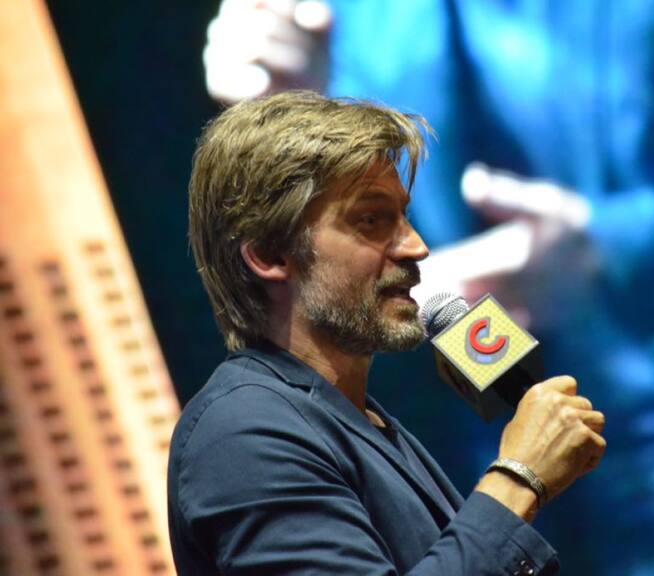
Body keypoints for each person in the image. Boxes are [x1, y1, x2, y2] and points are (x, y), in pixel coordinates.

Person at [202, 2, 654, 575]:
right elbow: (415, 259)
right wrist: (303, 117)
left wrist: (613, 244)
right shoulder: (355, 15)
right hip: (496, 487)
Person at [167, 91, 606, 575]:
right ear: (270, 256)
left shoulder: (355, 417)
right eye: (371, 220)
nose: (417, 247)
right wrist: (520, 477)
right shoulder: (244, 433)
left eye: (404, 216)